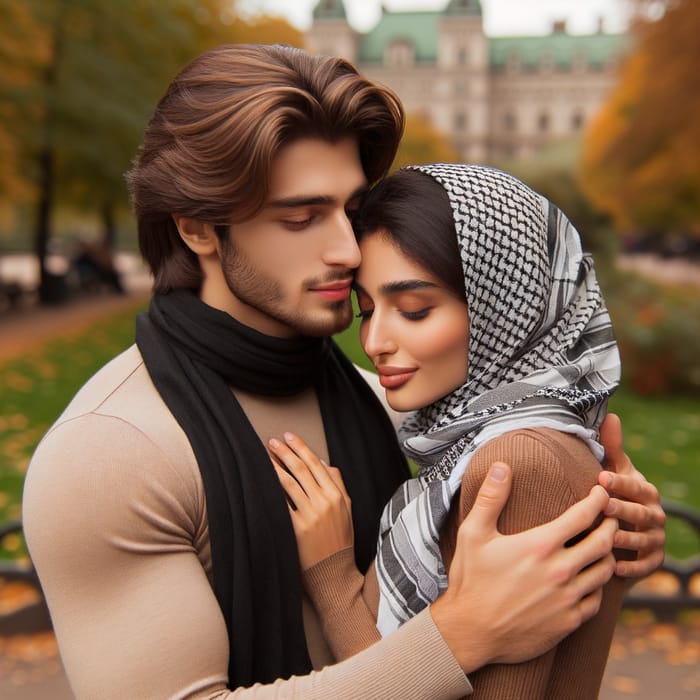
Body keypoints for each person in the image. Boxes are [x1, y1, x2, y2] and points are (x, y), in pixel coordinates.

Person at [20, 45, 663, 699]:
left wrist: (600, 551)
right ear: (196, 230)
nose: (348, 249)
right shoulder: (106, 455)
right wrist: (457, 636)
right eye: (301, 217)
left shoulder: (389, 402)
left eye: (353, 212)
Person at [271, 164, 665, 698]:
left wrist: (332, 575)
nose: (375, 341)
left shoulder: (517, 463)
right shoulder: (509, 439)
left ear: (503, 308)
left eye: (413, 309)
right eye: (368, 310)